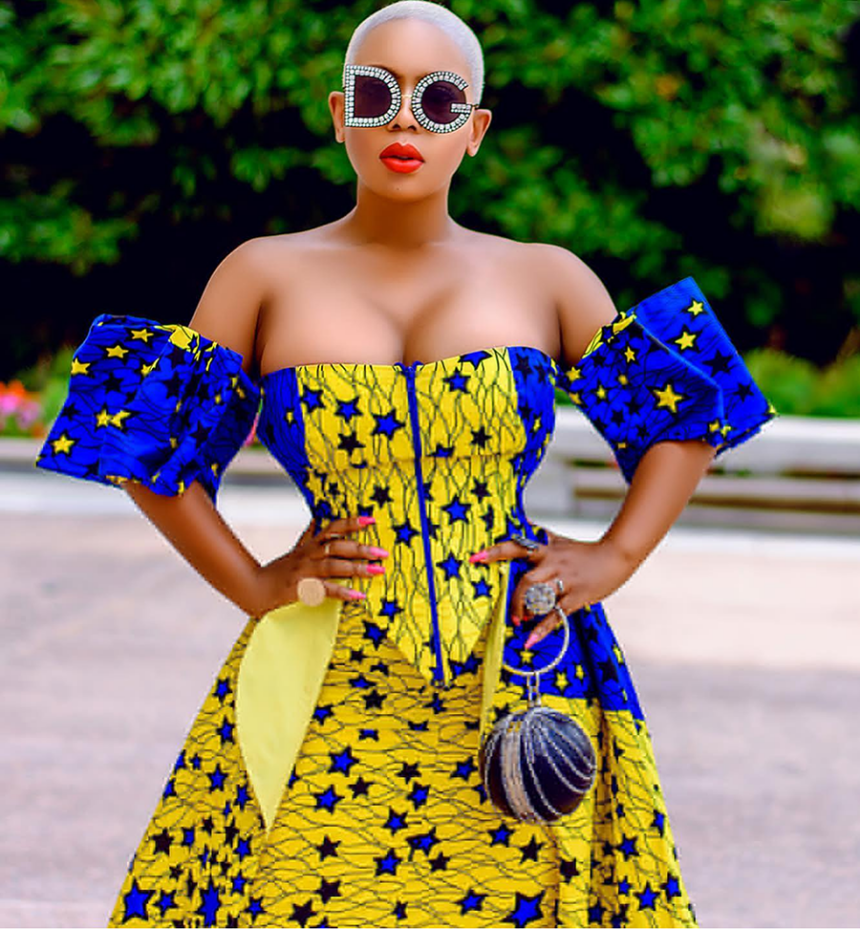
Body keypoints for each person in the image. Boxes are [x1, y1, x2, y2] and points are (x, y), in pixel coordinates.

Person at [34, 2, 776, 926]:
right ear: (339, 112)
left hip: (523, 669)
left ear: (476, 129)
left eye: (438, 101)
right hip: (324, 669)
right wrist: (254, 584)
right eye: (377, 94)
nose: (404, 122)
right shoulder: (260, 274)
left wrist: (615, 556)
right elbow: (144, 446)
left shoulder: (547, 276)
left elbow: (690, 411)